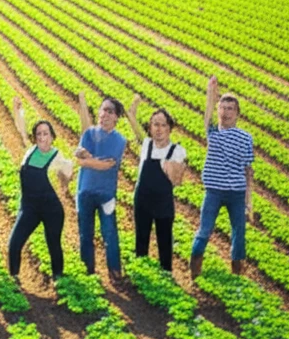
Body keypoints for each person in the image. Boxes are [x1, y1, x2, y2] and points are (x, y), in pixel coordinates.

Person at [191, 76, 254, 277]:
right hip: (214, 191)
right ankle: (195, 271)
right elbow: (207, 114)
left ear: (237, 114)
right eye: (223, 108)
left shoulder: (246, 138)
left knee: (239, 232)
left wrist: (249, 201)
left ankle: (237, 271)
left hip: (237, 192)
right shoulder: (213, 132)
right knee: (204, 230)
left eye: (230, 109)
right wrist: (211, 93)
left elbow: (248, 171)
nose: (225, 112)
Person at [7, 98, 73, 280]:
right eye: (39, 134)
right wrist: (17, 109)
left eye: (46, 134)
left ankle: (58, 277)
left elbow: (68, 175)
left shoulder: (57, 156)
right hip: (29, 207)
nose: (42, 138)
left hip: (52, 209)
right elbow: (21, 129)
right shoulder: (31, 151)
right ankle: (14, 276)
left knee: (53, 244)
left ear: (52, 136)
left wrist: (64, 183)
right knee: (15, 242)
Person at [125, 95, 186, 273]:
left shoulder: (177, 151)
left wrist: (170, 167)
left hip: (163, 202)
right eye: (155, 125)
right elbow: (133, 122)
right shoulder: (146, 144)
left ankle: (166, 274)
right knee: (141, 240)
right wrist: (134, 106)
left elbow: (177, 181)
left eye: (163, 125)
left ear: (169, 128)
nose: (159, 129)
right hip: (142, 200)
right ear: (150, 128)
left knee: (165, 242)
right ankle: (141, 274)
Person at [74, 92, 127, 282]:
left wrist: (88, 159)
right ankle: (88, 272)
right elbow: (79, 158)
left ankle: (115, 271)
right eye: (103, 110)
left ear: (116, 117)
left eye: (110, 111)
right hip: (84, 192)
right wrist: (87, 158)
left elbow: (108, 165)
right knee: (85, 234)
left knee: (110, 233)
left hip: (106, 195)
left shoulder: (120, 140)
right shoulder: (89, 133)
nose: (105, 114)